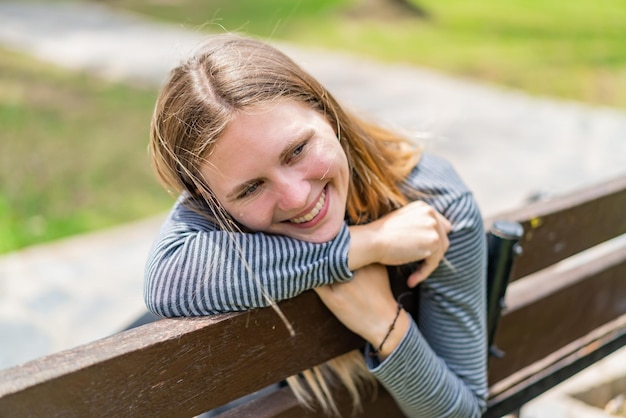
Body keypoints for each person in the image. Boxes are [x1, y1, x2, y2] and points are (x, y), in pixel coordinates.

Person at [145, 34, 487, 417]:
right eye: (252, 187)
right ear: (207, 199)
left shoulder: (436, 201)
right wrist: (366, 245)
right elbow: (168, 281)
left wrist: (387, 327)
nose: (296, 198)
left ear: (326, 111)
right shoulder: (211, 211)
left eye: (296, 150)